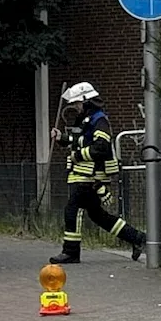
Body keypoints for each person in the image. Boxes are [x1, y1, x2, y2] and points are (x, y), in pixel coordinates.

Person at [50, 82, 146, 265]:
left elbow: (101, 147)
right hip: (84, 175)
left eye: (78, 104)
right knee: (97, 215)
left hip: (90, 176)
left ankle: (71, 252)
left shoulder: (99, 120)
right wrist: (62, 138)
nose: (76, 107)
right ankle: (137, 238)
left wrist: (78, 155)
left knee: (73, 209)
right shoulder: (87, 120)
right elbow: (80, 140)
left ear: (87, 101)